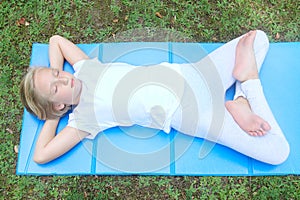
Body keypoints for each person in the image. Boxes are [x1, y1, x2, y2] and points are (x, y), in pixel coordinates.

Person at [20, 30, 290, 165]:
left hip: (191, 75)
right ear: (58, 104)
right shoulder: (81, 121)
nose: (63, 77)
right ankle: (247, 86)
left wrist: (52, 83)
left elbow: (56, 40)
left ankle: (242, 97)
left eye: (57, 73)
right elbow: (41, 155)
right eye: (56, 87)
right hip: (190, 111)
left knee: (259, 39)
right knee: (278, 152)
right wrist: (53, 116)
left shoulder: (83, 68)